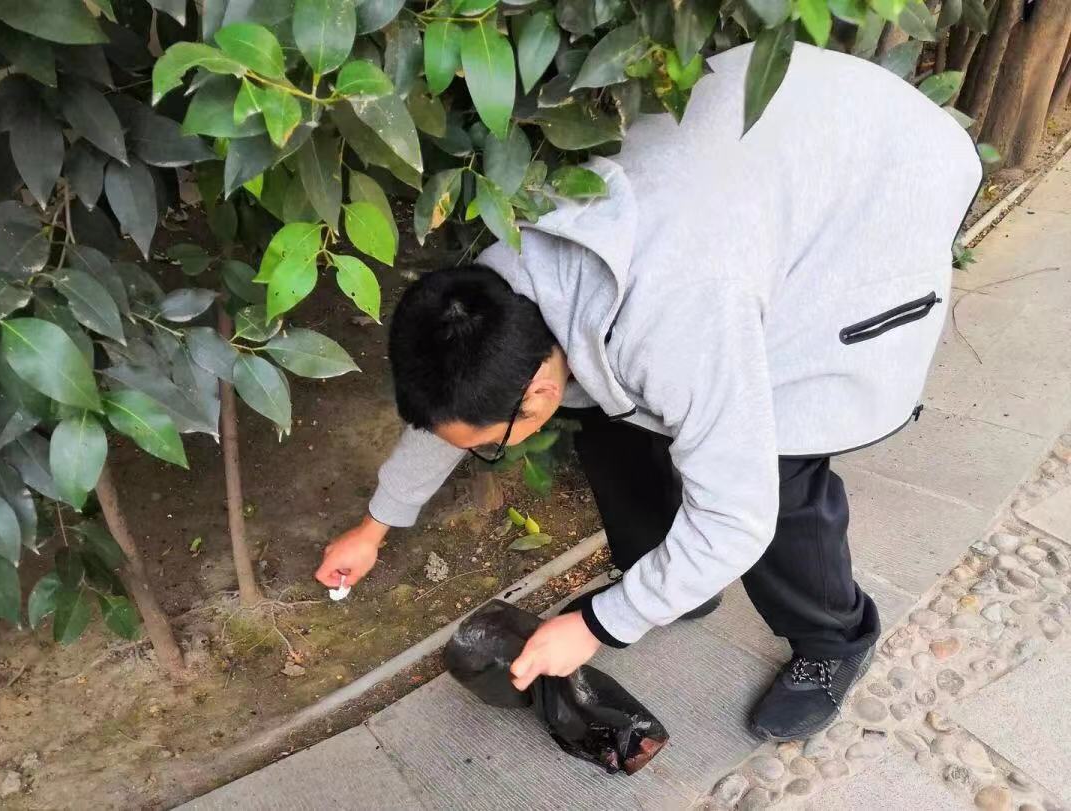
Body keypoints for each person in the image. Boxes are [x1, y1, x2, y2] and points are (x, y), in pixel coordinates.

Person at [315, 42, 982, 741]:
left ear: (537, 388)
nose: (486, 448)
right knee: (611, 419)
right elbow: (456, 405)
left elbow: (738, 516)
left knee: (779, 466)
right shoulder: (496, 287)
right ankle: (670, 577)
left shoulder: (675, 322)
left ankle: (835, 639)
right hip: (757, 165)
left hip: (875, 178)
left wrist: (598, 625)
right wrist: (376, 525)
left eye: (490, 447)